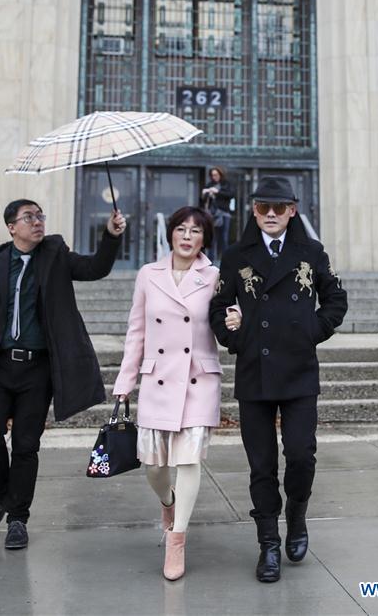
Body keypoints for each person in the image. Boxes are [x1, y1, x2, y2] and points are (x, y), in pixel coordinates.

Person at [0, 198, 126, 550]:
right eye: (29, 217)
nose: (38, 221)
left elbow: (95, 268)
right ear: (11, 227)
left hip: (36, 369)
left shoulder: (55, 254)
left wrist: (110, 236)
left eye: (41, 215)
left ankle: (17, 520)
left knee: (27, 445)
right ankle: (1, 495)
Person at [209, 176, 347, 583]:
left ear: (292, 210)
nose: (271, 214)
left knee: (301, 454)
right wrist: (235, 336)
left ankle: (297, 516)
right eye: (263, 207)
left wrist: (312, 331)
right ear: (253, 211)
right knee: (261, 464)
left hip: (299, 369)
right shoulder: (236, 255)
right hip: (255, 370)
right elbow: (218, 307)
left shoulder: (312, 252)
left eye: (279, 207)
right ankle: (268, 544)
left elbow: (336, 299)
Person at [113, 206, 220, 581]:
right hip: (157, 379)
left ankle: (177, 540)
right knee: (155, 467)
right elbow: (137, 332)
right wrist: (125, 383)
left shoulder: (214, 277)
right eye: (181, 229)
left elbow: (226, 317)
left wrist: (237, 316)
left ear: (205, 239)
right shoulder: (148, 274)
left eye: (196, 230)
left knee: (189, 461)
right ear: (171, 234)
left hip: (198, 380)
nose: (187, 236)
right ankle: (168, 502)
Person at [201, 166, 233, 265]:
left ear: (220, 174)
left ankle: (225, 260)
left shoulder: (226, 184)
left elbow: (231, 194)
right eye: (212, 175)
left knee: (224, 238)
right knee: (212, 238)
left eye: (216, 175)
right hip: (213, 214)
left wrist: (217, 192)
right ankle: (211, 261)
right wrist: (206, 192)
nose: (214, 177)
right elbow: (203, 200)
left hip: (224, 214)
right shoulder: (210, 184)